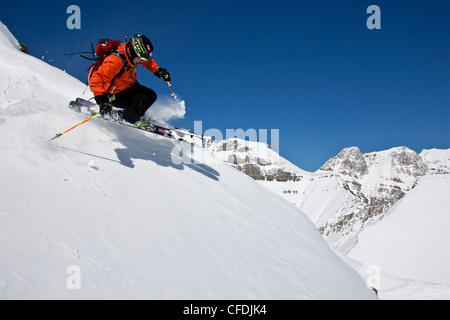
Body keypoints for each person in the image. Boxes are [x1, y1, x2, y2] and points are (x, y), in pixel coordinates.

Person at [89, 34, 171, 125]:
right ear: (134, 51)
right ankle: (128, 117)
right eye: (141, 58)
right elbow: (96, 79)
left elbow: (148, 63)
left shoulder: (131, 56)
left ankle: (134, 114)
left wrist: (158, 71)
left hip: (127, 87)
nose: (142, 61)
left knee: (151, 95)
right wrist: (103, 101)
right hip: (114, 95)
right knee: (143, 100)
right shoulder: (115, 61)